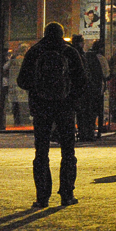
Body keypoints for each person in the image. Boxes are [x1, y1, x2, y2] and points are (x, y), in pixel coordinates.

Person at [17, 22, 87, 208]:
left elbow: (22, 81)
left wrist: (37, 88)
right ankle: (67, 194)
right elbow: (82, 81)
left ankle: (42, 197)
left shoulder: (35, 52)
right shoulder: (70, 52)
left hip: (41, 108)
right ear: (62, 34)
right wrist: (71, 98)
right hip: (65, 108)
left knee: (41, 152)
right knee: (68, 151)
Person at [78, 37, 108, 141]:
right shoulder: (101, 58)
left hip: (84, 88)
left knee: (83, 111)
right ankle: (91, 132)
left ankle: (82, 132)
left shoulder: (85, 55)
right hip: (97, 88)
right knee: (94, 111)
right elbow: (106, 73)